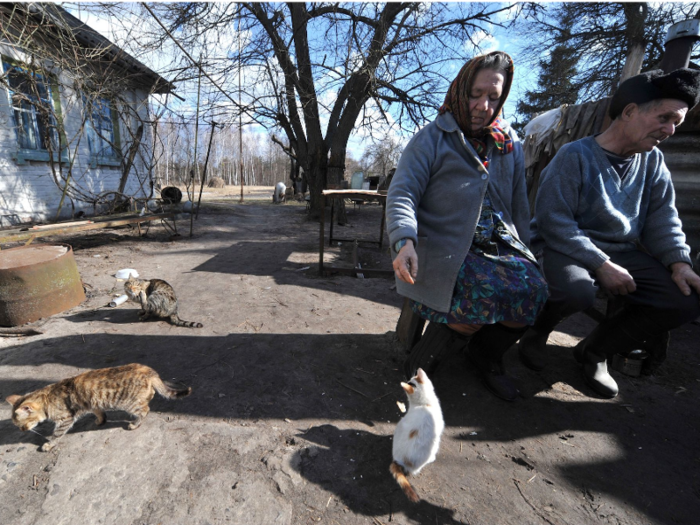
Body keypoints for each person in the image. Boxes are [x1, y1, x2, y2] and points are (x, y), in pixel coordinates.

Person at [520, 68, 700, 398]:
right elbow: (553, 221)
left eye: (677, 123)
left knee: (683, 302)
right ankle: (537, 331)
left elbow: (663, 220)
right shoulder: (575, 155)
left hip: (620, 249)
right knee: (577, 291)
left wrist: (680, 264)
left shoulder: (653, 162)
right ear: (630, 111)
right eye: (665, 118)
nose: (671, 130)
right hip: (564, 243)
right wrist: (600, 263)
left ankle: (594, 351)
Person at [386, 51, 548, 402]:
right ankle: (421, 365)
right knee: (475, 300)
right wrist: (404, 241)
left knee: (534, 290)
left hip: (498, 241)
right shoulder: (432, 138)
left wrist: (529, 253)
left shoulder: (508, 142)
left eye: (493, 97)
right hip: (446, 245)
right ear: (460, 90)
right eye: (476, 94)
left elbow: (519, 201)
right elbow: (402, 193)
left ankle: (485, 355)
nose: (483, 105)